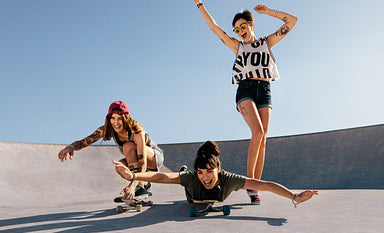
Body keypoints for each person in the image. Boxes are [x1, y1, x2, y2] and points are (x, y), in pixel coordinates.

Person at [192, 1, 298, 204]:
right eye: (237, 29)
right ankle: (250, 183)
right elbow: (215, 28)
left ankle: (255, 186)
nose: (240, 31)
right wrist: (200, 4)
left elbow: (293, 21)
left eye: (243, 26)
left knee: (263, 139)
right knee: (257, 133)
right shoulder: (237, 46)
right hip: (245, 90)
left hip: (265, 90)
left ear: (251, 25)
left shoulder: (267, 42)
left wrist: (269, 12)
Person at [113, 141, 317, 207]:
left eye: (209, 172)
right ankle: (186, 168)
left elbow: (264, 184)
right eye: (201, 172)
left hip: (213, 194)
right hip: (192, 195)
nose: (205, 177)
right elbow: (163, 177)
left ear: (218, 169)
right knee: (182, 177)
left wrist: (294, 197)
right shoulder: (193, 178)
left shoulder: (229, 179)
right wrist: (134, 177)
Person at [58, 100, 164, 200]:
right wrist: (71, 147)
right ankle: (144, 183)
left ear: (126, 118)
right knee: (119, 167)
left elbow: (142, 162)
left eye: (120, 119)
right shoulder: (107, 129)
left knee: (128, 146)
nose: (116, 123)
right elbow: (84, 141)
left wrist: (133, 184)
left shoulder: (136, 131)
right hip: (138, 162)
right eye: (113, 118)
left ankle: (140, 186)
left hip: (153, 158)